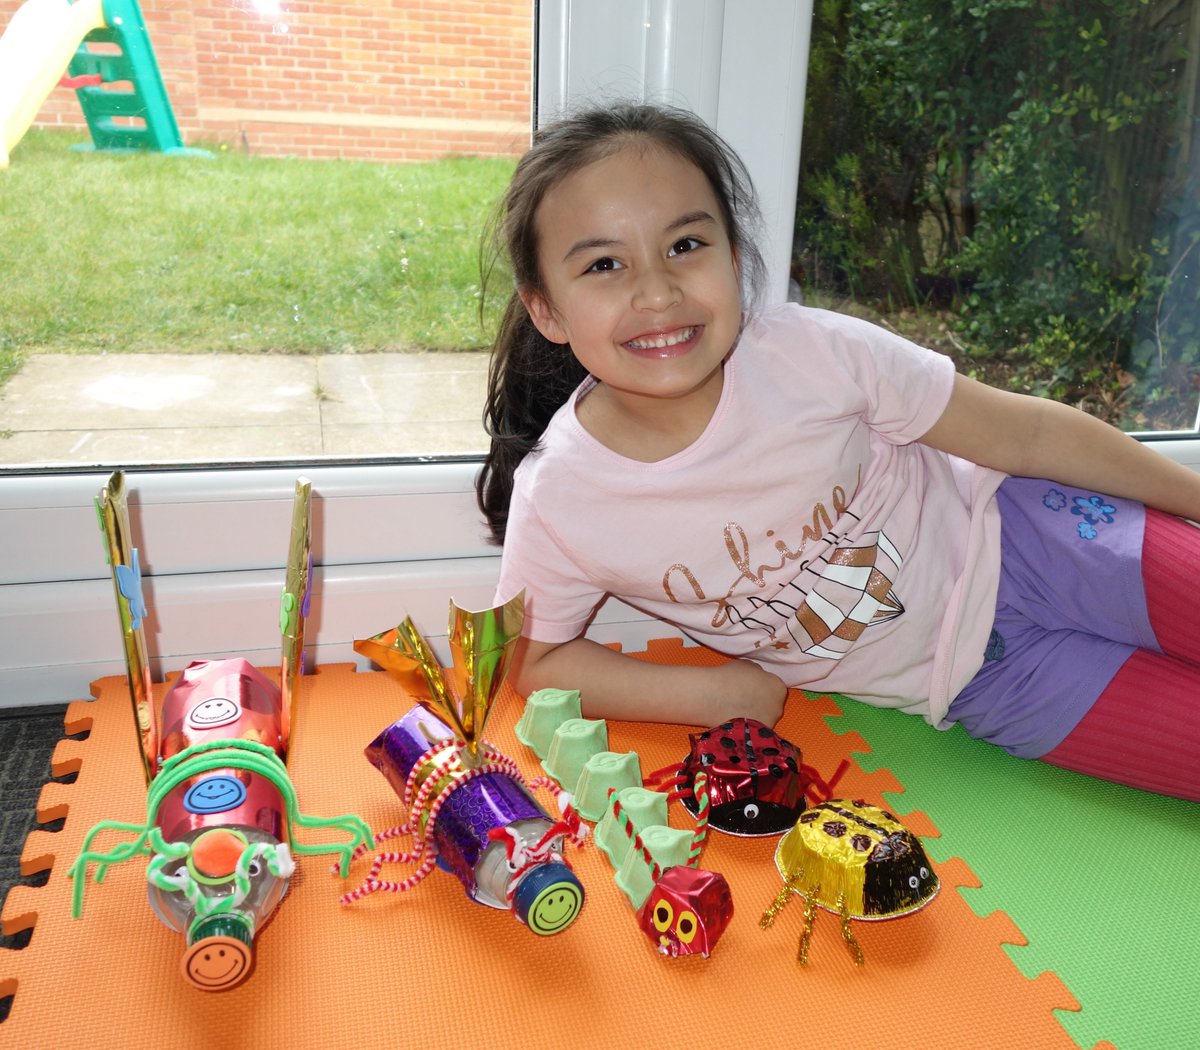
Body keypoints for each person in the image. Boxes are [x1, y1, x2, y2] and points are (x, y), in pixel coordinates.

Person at [477, 102, 1200, 802]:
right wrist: (711, 693)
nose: (658, 292)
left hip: (1044, 536)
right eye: (605, 265)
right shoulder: (564, 496)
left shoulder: (813, 354)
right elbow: (534, 660)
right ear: (546, 309)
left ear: (733, 257)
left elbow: (1028, 434)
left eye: (685, 246)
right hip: (985, 682)